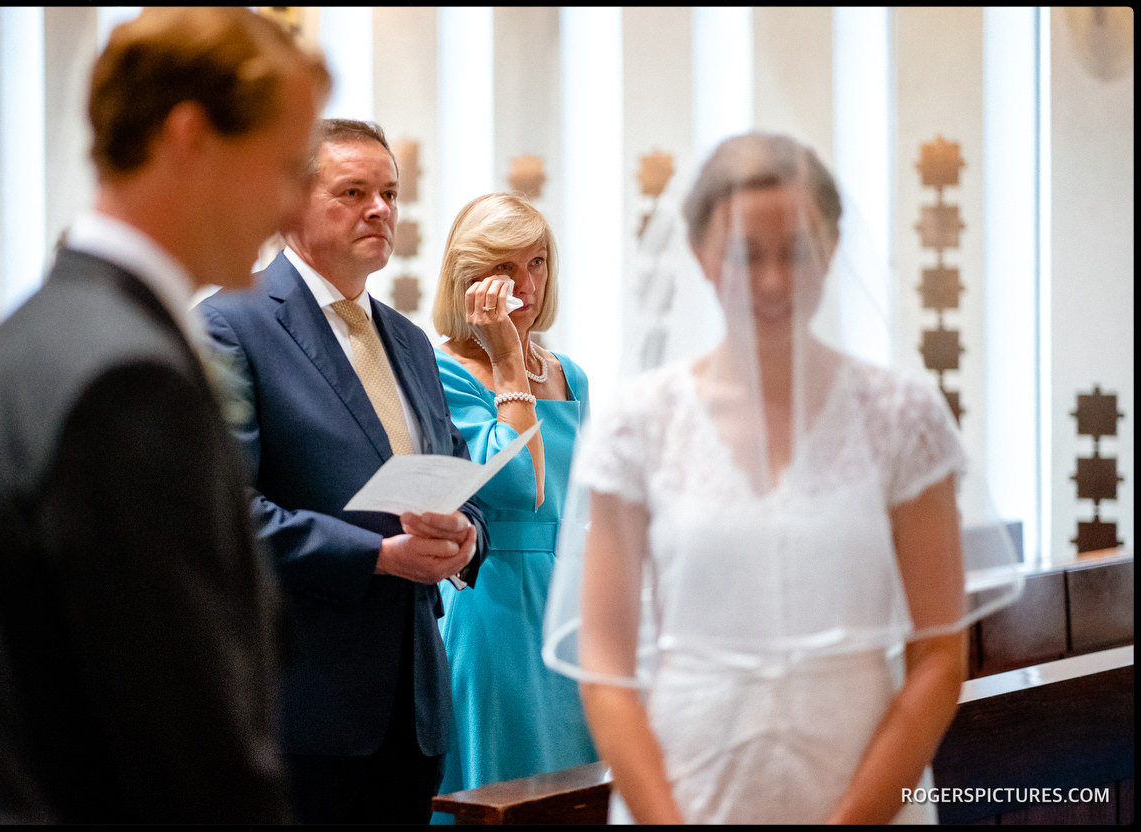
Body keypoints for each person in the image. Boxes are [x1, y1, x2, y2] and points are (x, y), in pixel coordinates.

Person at [542, 132, 1024, 823]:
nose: (773, 281)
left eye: (796, 252)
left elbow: (938, 657)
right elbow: (608, 674)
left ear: (830, 250)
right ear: (703, 258)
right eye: (746, 255)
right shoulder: (637, 423)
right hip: (687, 786)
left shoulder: (901, 415)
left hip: (863, 782)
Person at [0, 8, 330, 824]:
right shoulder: (128, 382)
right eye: (289, 166)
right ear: (191, 138)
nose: (297, 204)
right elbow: (185, 751)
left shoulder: (28, 338)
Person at [198, 118, 490, 825]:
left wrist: (465, 538)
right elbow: (225, 513)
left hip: (413, 703)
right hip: (302, 701)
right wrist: (380, 557)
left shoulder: (411, 341)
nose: (381, 209)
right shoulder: (229, 324)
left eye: (390, 193)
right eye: (353, 191)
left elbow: (454, 473)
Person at [430, 193, 597, 804]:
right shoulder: (440, 370)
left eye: (537, 262)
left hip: (568, 602)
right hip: (493, 597)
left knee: (575, 788)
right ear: (468, 278)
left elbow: (578, 502)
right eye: (503, 267)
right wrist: (504, 362)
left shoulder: (569, 373)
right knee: (502, 786)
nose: (524, 283)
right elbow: (520, 488)